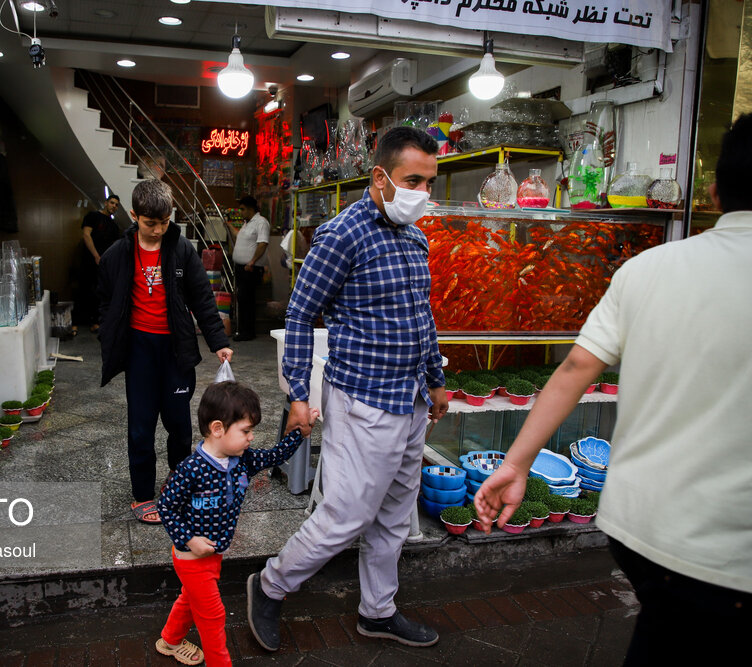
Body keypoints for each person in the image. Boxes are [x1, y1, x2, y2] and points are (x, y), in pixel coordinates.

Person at [474, 114, 752, 664]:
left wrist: (516, 463)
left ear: (715, 191)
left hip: (639, 526)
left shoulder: (649, 265)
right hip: (731, 550)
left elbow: (576, 367)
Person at [246, 126, 449, 652]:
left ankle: (377, 612)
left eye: (429, 181)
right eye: (412, 180)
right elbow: (299, 313)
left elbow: (420, 317)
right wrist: (297, 393)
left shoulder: (414, 236)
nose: (422, 192)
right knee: (344, 517)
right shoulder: (342, 234)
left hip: (410, 401)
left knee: (395, 517)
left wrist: (437, 380)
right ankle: (269, 586)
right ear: (381, 177)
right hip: (363, 401)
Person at [98, 180, 233, 525]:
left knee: (179, 424)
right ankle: (143, 494)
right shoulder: (118, 254)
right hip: (139, 350)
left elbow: (202, 297)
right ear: (134, 216)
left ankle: (178, 482)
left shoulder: (181, 249)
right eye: (150, 223)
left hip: (175, 349)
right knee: (141, 426)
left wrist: (218, 342)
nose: (158, 230)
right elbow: (105, 300)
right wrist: (109, 335)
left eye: (164, 222)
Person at [155, 381, 318, 666]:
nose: (251, 438)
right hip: (190, 556)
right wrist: (189, 539)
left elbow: (275, 455)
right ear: (217, 429)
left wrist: (301, 434)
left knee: (190, 600)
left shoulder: (241, 460)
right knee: (213, 615)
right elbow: (166, 507)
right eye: (245, 431)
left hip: (213, 553)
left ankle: (169, 639)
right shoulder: (191, 469)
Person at [75, 194, 120, 334]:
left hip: (103, 264)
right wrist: (95, 255)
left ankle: (95, 322)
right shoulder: (93, 216)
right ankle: (74, 323)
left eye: (117, 205)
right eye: (112, 203)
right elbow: (86, 235)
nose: (114, 206)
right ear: (106, 203)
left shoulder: (113, 226)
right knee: (82, 290)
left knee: (99, 293)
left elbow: (114, 246)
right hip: (89, 260)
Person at [228, 195, 270, 341]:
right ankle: (243, 329)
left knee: (247, 299)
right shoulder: (247, 223)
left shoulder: (261, 222)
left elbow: (263, 243)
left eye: (242, 209)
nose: (240, 212)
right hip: (242, 267)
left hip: (250, 268)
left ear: (251, 209)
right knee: (242, 298)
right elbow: (238, 237)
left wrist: (252, 261)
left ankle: (248, 332)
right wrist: (229, 226)